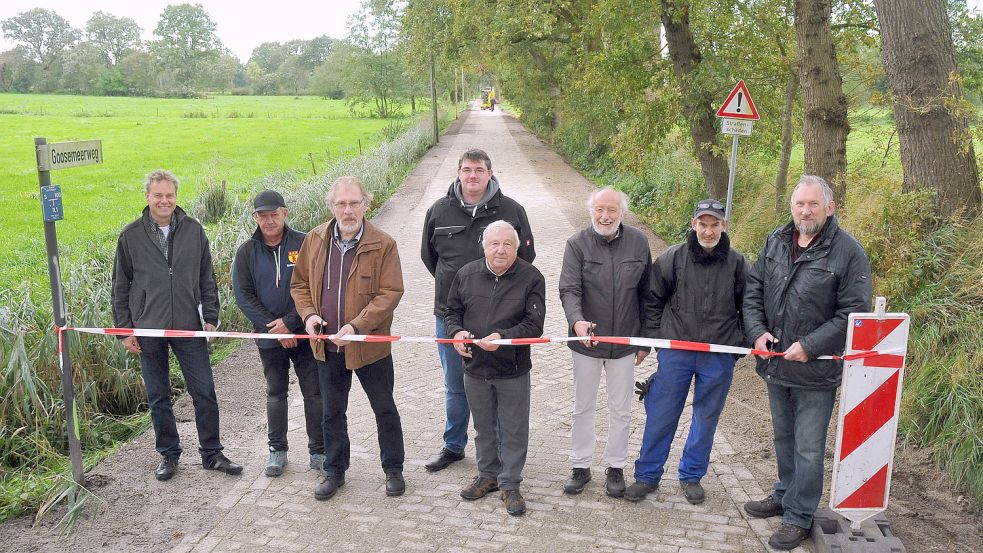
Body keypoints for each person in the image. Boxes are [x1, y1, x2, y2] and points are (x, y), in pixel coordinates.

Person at [742, 175, 872, 550]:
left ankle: (799, 516)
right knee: (783, 437)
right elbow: (753, 291)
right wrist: (757, 333)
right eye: (800, 204)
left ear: (829, 207)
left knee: (809, 447)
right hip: (776, 365)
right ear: (792, 207)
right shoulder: (776, 241)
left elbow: (853, 314)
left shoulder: (848, 252)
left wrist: (810, 346)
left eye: (813, 204)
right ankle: (785, 492)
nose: (805, 211)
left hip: (815, 370)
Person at [111, 169, 242, 481]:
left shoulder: (193, 231)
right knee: (158, 396)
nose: (164, 201)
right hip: (148, 328)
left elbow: (207, 278)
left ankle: (212, 453)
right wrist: (124, 330)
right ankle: (169, 455)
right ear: (147, 197)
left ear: (176, 197)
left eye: (169, 195)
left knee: (204, 391)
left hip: (188, 325)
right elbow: (120, 286)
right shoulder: (131, 236)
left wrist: (211, 318)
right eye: (158, 195)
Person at [623, 199, 748, 506]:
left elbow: (750, 306)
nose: (708, 231)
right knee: (661, 414)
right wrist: (657, 341)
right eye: (703, 224)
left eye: (715, 225)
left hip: (718, 355)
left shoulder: (738, 264)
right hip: (676, 351)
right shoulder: (673, 257)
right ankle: (647, 476)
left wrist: (737, 347)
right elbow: (652, 300)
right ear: (693, 225)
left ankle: (692, 475)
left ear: (724, 226)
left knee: (706, 418)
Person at [290, 176, 406, 500]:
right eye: (341, 203)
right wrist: (309, 316)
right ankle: (335, 471)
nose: (348, 210)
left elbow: (390, 292)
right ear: (332, 207)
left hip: (369, 347)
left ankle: (393, 469)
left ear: (366, 204)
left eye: (354, 203)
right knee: (331, 413)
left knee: (384, 409)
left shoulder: (383, 243)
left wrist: (356, 327)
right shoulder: (314, 239)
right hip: (327, 346)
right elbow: (299, 285)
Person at [420, 148, 535, 473]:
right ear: (458, 173)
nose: (472, 176)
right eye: (467, 170)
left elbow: (526, 259)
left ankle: (499, 453)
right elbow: (429, 257)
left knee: (497, 385)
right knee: (455, 385)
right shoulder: (438, 211)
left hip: (500, 319)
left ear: (490, 173)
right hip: (450, 316)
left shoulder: (512, 210)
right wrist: (458, 291)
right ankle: (453, 445)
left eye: (479, 170)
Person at [558, 187, 657, 497]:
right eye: (599, 209)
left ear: (621, 212)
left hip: (625, 343)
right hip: (586, 343)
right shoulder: (576, 244)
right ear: (591, 212)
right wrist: (577, 322)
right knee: (583, 407)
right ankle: (580, 465)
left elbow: (648, 295)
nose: (605, 216)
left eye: (611, 210)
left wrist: (644, 341)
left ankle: (615, 467)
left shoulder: (639, 242)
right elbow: (569, 289)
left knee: (621, 410)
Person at [444, 220, 546, 516]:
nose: (500, 250)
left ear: (517, 248)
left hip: (512, 368)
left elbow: (534, 325)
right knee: (483, 427)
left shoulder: (531, 277)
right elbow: (452, 312)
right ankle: (487, 475)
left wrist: (503, 337)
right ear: (484, 246)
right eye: (494, 244)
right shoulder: (466, 274)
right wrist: (456, 333)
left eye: (507, 244)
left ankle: (510, 484)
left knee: (514, 428)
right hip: (475, 366)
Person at [233, 190, 324, 477]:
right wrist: (274, 327)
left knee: (314, 393)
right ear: (255, 217)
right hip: (269, 336)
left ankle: (318, 452)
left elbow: (315, 286)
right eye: (263, 216)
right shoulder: (246, 252)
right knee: (275, 393)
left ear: (285, 213)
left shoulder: (305, 242)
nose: (269, 220)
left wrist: (292, 322)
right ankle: (277, 451)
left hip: (304, 333)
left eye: (274, 214)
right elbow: (243, 295)